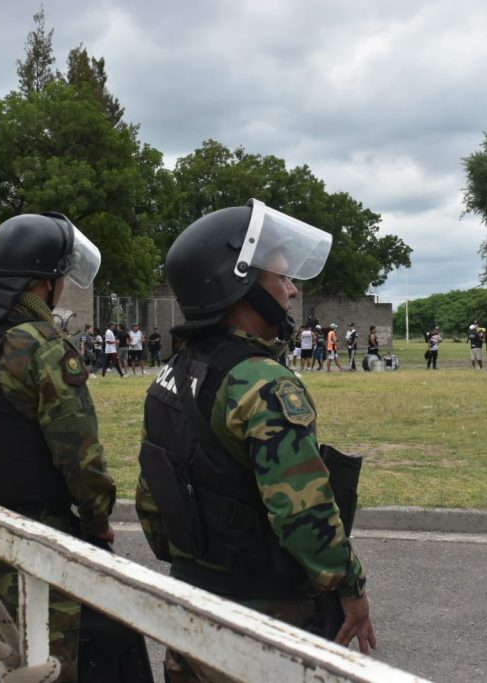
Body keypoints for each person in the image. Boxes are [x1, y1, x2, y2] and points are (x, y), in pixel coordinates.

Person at [136, 199, 376, 682]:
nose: (291, 292)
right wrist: (350, 586)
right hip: (260, 620)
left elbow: (152, 496)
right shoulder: (264, 382)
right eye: (282, 279)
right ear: (241, 285)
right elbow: (302, 512)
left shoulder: (173, 372)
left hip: (189, 604)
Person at [0, 212, 119, 680]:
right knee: (46, 662)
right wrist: (99, 520)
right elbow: (78, 451)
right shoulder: (40, 344)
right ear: (44, 284)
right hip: (34, 532)